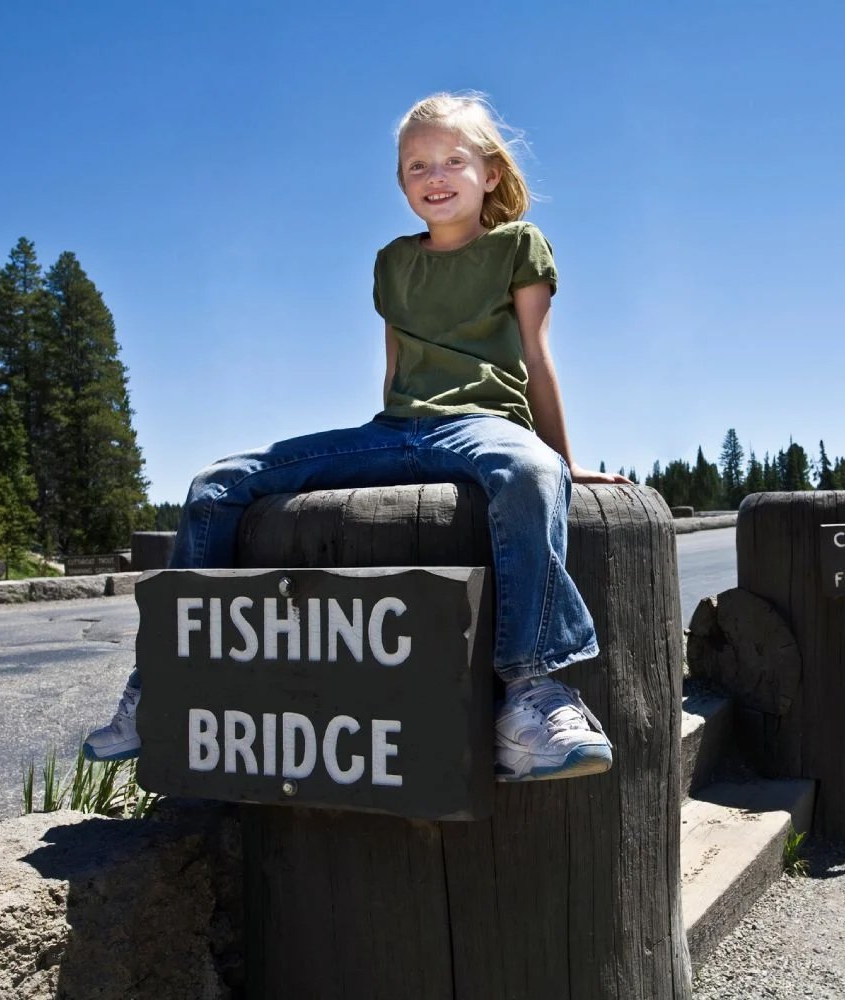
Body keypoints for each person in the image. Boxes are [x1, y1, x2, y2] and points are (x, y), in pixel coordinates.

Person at [82, 92, 629, 781]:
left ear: (489, 173)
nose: (434, 175)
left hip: (484, 429)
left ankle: (529, 694)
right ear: (401, 182)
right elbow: (396, 367)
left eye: (453, 161)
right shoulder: (393, 263)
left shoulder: (518, 245)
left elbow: (537, 355)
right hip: (395, 432)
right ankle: (163, 684)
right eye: (415, 166)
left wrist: (563, 462)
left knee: (529, 472)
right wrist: (382, 451)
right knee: (217, 484)